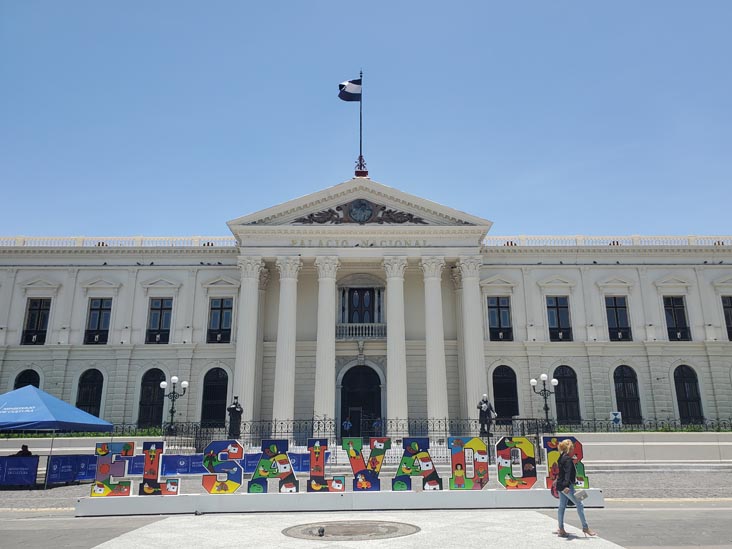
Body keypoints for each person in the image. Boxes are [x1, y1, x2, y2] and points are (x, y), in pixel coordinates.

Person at [555, 439, 596, 538]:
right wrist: (566, 486)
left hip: (560, 485)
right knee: (580, 503)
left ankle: (561, 528)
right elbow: (568, 474)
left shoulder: (561, 457)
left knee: (562, 506)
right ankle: (585, 527)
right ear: (569, 449)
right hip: (567, 486)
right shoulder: (568, 460)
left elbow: (562, 473)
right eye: (572, 448)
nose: (573, 450)